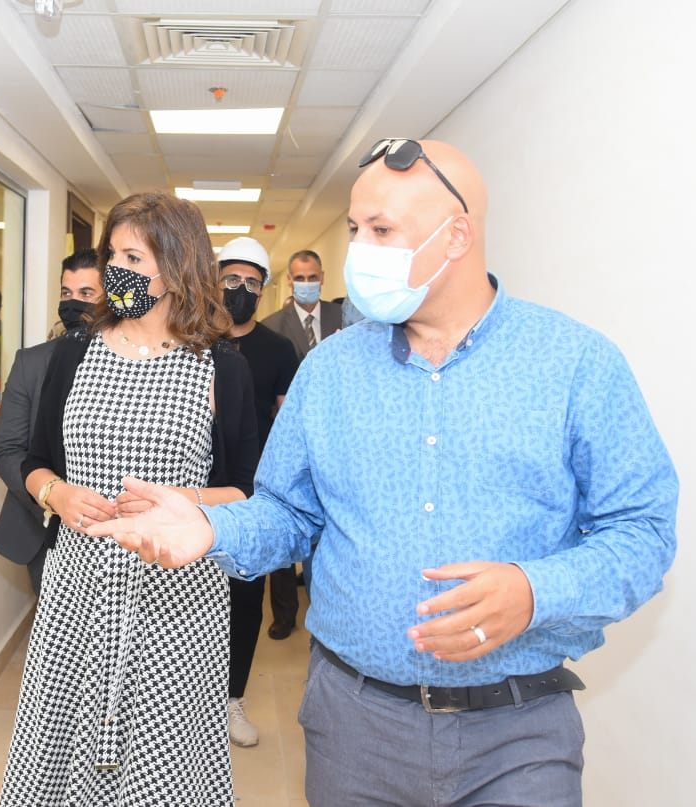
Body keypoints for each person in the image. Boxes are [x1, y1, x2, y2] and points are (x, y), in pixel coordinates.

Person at [90, 139, 678, 807]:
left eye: (380, 230)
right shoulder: (330, 369)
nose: (357, 251)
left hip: (516, 735)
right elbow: (289, 512)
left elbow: (641, 531)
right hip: (354, 726)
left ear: (456, 236)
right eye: (353, 229)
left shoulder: (575, 364)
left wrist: (534, 590)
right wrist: (211, 527)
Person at [0, 192, 259, 806]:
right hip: (79, 587)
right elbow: (34, 460)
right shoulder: (73, 353)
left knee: (160, 760)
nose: (117, 270)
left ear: (176, 266)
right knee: (62, 745)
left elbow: (248, 487)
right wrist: (56, 493)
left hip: (177, 593)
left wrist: (181, 499)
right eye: (112, 255)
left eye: (133, 258)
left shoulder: (222, 368)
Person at [214, 236, 299, 747]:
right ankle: (184, 703)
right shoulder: (189, 340)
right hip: (193, 491)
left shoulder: (278, 349)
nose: (240, 290)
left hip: (251, 494)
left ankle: (232, 700)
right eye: (232, 279)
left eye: (251, 283)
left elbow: (286, 424)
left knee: (244, 599)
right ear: (214, 281)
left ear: (263, 291)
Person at [0, 248, 101, 593]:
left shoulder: (141, 363)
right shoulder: (32, 362)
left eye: (86, 293)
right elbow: (8, 449)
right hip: (45, 529)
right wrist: (52, 498)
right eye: (66, 293)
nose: (73, 303)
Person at [259, 249, 343, 638]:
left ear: (322, 276)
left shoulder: (346, 318)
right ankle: (284, 614)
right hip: (292, 439)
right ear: (290, 281)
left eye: (312, 276)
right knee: (286, 519)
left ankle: (327, 607)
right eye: (299, 278)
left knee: (330, 530)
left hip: (340, 439)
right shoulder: (273, 327)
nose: (306, 283)